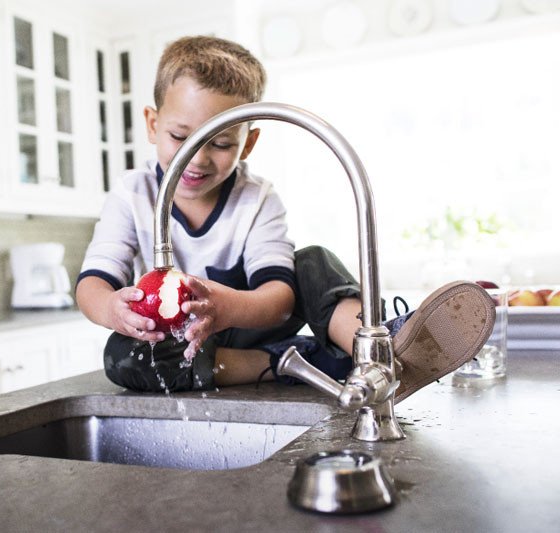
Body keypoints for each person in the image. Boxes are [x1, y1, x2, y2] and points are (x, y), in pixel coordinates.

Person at [75, 35, 494, 401]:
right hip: (192, 349)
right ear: (152, 123)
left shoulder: (257, 198)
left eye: (220, 143)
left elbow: (279, 300)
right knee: (123, 357)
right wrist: (112, 309)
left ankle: (380, 356)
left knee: (313, 261)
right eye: (180, 138)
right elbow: (93, 283)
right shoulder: (131, 195)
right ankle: (295, 363)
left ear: (248, 142)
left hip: (252, 320)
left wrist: (225, 307)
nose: (198, 157)